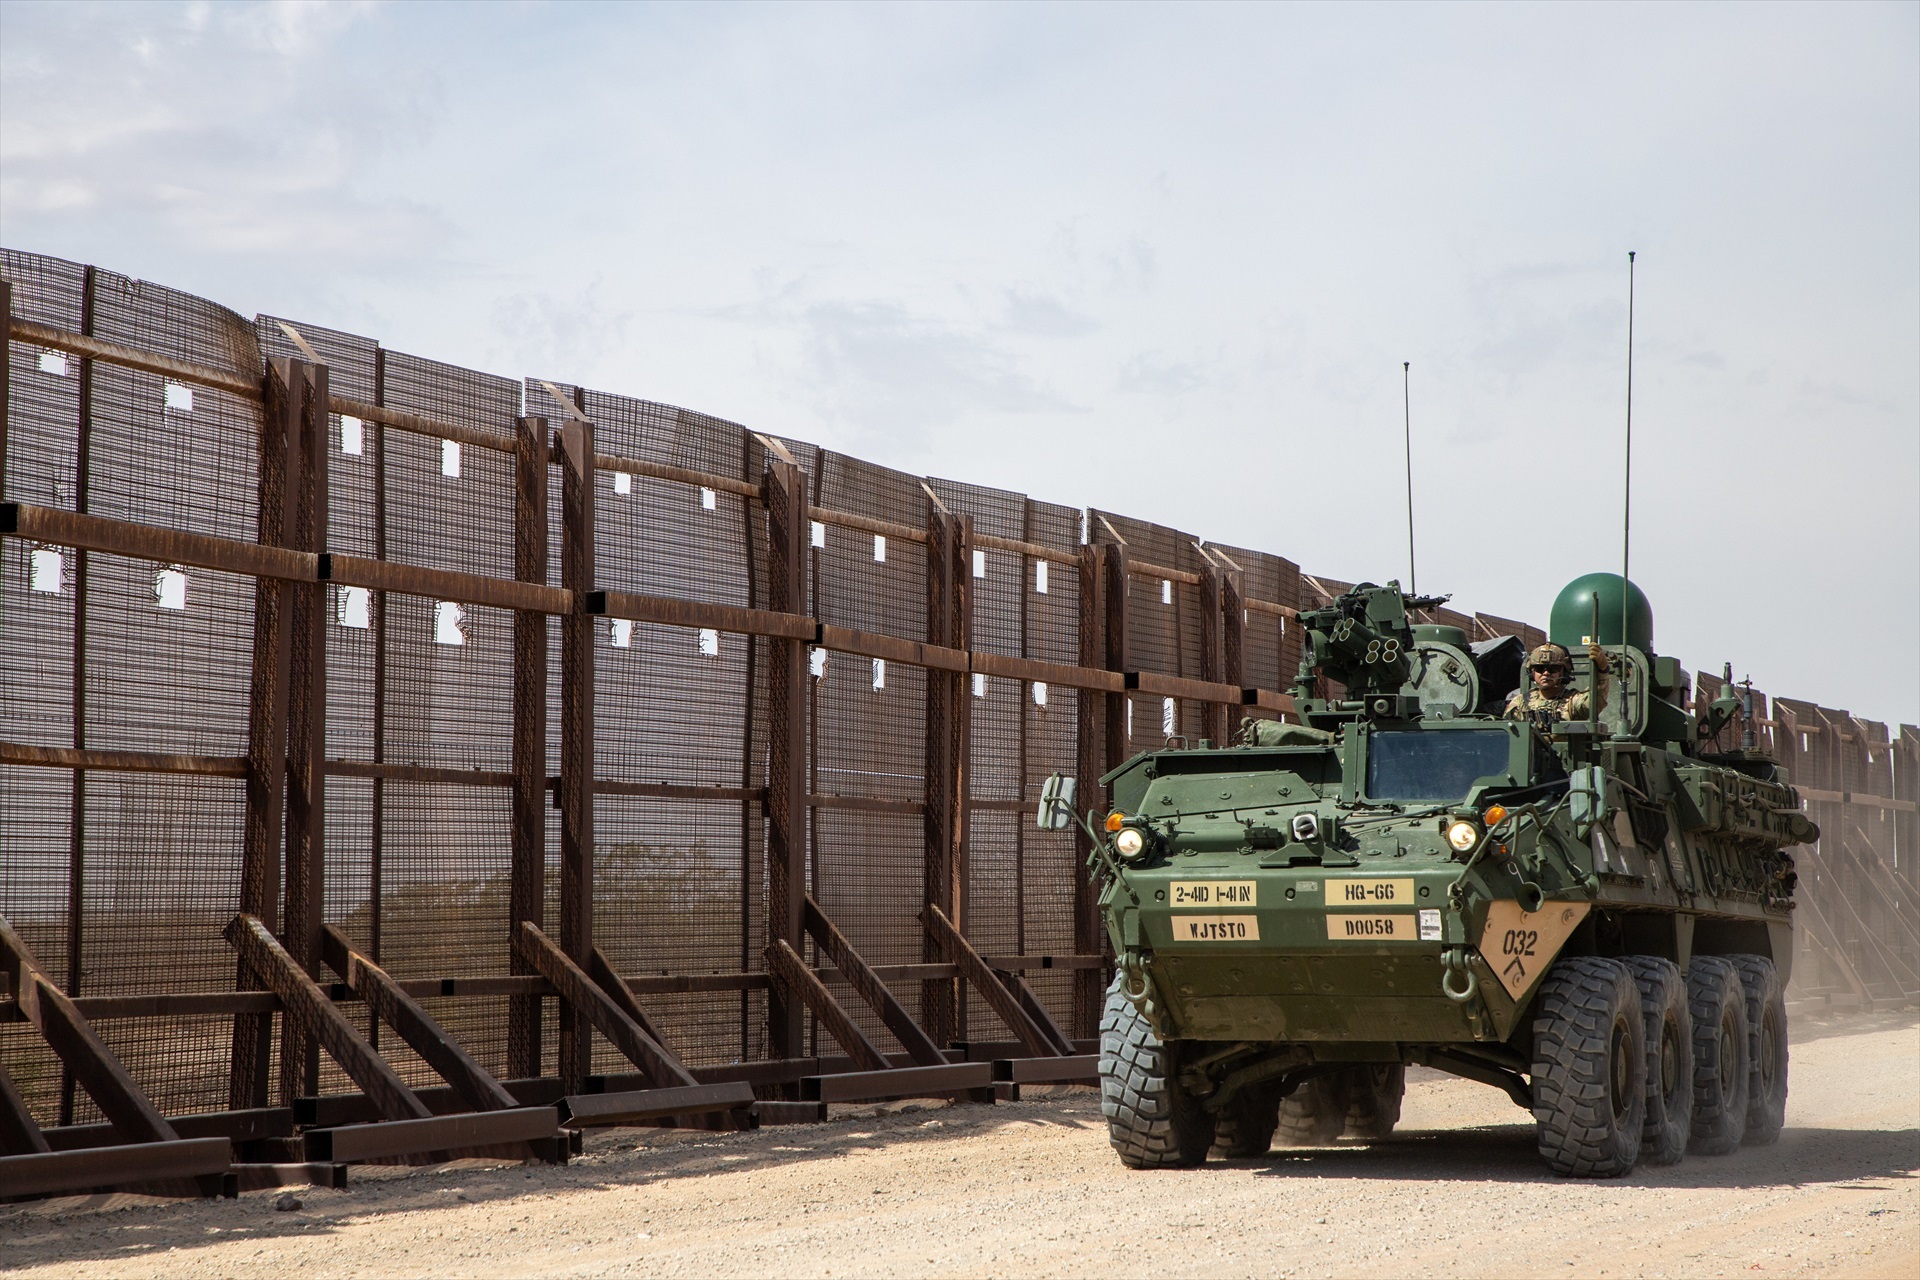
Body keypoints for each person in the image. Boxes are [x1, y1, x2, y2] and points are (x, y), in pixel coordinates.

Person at [1504, 642, 1610, 722]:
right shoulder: (1520, 702)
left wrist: (1602, 671)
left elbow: (1595, 702)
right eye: (1539, 669)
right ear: (1532, 672)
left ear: (1563, 672)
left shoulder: (1572, 702)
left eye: (1552, 669)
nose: (1545, 673)